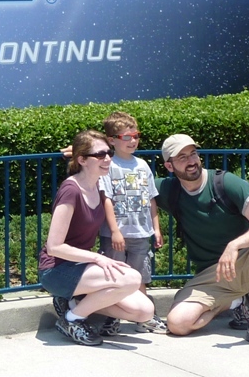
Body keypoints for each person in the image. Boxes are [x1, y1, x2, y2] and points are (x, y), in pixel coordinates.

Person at [156, 134, 249, 350]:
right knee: (178, 323)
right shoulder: (168, 189)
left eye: (193, 154)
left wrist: (234, 245)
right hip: (212, 275)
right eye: (182, 157)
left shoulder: (224, 182)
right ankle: (237, 302)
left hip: (244, 261)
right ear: (169, 166)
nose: (191, 161)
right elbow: (132, 188)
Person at [39, 130, 155, 345]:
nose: (108, 159)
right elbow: (54, 246)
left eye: (108, 153)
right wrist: (98, 258)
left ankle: (74, 303)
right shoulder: (71, 190)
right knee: (131, 278)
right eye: (100, 155)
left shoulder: (99, 185)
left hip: (83, 268)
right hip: (57, 270)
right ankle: (72, 319)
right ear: (82, 160)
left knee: (144, 311)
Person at [98, 111, 168, 333]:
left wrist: (156, 228)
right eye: (126, 137)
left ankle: (145, 318)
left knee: (139, 277)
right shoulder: (109, 165)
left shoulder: (143, 165)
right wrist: (114, 231)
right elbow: (106, 199)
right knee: (115, 278)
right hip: (116, 235)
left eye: (135, 136)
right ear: (112, 140)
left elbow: (151, 199)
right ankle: (112, 318)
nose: (133, 141)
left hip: (141, 233)